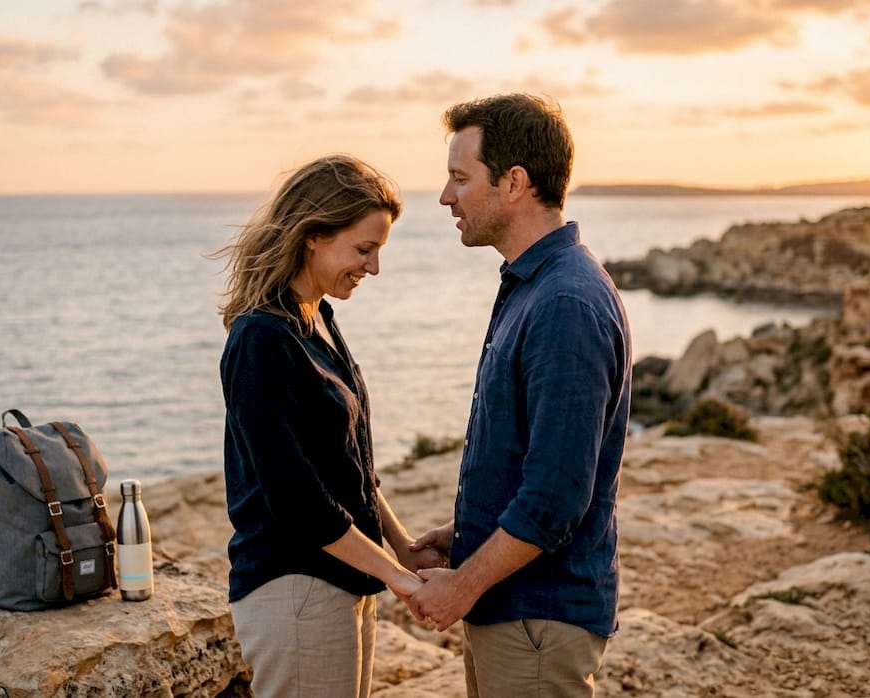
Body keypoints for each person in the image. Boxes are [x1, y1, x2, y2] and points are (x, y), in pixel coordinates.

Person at [408, 94, 632, 697]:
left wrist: (463, 583)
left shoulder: (564, 303)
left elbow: (556, 496)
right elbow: (531, 463)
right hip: (515, 612)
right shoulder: (535, 286)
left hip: (538, 617)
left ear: (514, 183)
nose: (445, 196)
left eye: (460, 177)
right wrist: (466, 537)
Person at [215, 154, 443, 698]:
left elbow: (348, 467)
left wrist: (401, 546)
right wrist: (400, 578)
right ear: (313, 235)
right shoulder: (262, 339)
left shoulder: (317, 318)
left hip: (342, 579)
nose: (373, 267)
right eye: (364, 249)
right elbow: (297, 498)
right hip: (294, 587)